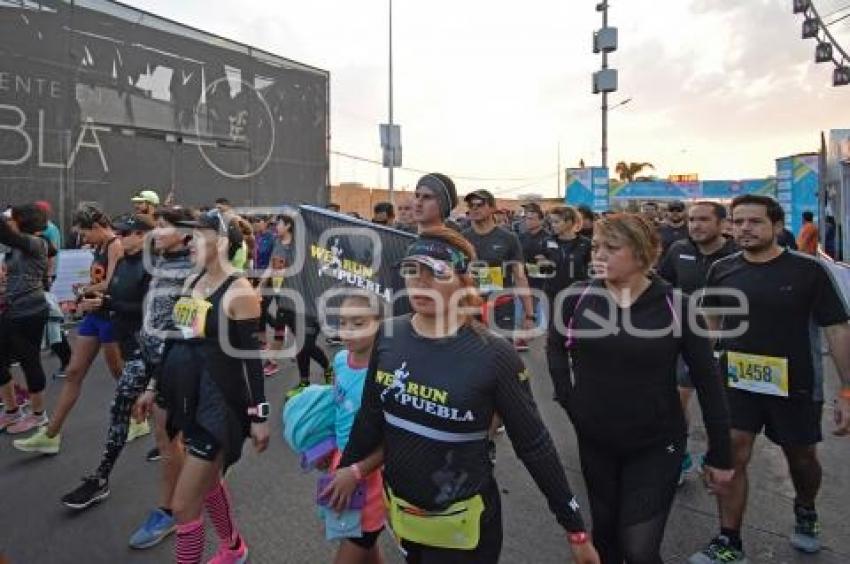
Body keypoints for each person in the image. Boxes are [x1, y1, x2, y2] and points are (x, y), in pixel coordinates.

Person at [338, 227, 600, 564]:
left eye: (435, 272)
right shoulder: (390, 334)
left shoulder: (494, 355)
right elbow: (371, 417)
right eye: (412, 270)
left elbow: (534, 445)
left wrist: (574, 528)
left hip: (465, 531)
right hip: (404, 516)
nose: (420, 282)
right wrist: (347, 469)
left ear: (463, 280)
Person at [549, 213, 733, 564]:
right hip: (596, 441)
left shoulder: (677, 306)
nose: (598, 255)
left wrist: (720, 454)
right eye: (597, 246)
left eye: (612, 248)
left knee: (639, 548)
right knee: (605, 540)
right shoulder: (576, 298)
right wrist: (569, 397)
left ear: (643, 254)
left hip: (656, 443)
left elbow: (709, 383)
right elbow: (555, 346)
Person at [690, 195, 850, 564]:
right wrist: (703, 370)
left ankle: (806, 508)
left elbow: (837, 330)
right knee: (733, 450)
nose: (744, 228)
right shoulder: (723, 270)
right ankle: (729, 541)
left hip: (794, 383)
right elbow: (711, 321)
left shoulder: (809, 271)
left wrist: (846, 389)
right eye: (739, 221)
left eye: (755, 222)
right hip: (736, 380)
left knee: (802, 460)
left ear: (777, 227)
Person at [155, 209, 270, 564]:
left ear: (221, 243)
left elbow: (252, 362)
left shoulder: (240, 292)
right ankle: (234, 547)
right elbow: (177, 337)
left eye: (199, 235)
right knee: (209, 486)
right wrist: (152, 385)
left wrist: (259, 416)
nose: (190, 241)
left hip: (219, 407)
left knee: (183, 506)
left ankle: (231, 548)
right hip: (187, 399)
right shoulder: (193, 282)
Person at [60, 214, 154, 509]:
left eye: (127, 233)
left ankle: (101, 477)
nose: (121, 237)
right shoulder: (124, 262)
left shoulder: (154, 268)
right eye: (120, 232)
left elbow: (149, 309)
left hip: (150, 352)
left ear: (142, 235)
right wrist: (96, 302)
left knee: (120, 407)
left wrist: (109, 304)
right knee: (155, 417)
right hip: (129, 345)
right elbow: (113, 295)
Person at [14, 204, 125, 454]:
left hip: (110, 316)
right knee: (74, 372)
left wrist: (86, 290)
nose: (83, 239)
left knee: (120, 373)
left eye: (85, 234)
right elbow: (99, 280)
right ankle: (51, 434)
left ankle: (139, 416)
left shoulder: (116, 245)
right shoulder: (99, 246)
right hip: (94, 315)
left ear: (96, 227)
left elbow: (113, 283)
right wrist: (84, 289)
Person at [128, 206, 195, 550]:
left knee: (170, 442)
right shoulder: (161, 263)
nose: (156, 231)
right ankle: (187, 498)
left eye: (165, 226)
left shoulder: (194, 271)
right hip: (155, 360)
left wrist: (154, 383)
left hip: (177, 367)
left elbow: (184, 331)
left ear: (186, 234)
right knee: (175, 441)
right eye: (156, 225)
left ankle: (171, 510)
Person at [657, 201, 737, 483]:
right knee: (677, 399)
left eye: (703, 219)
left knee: (726, 407)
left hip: (731, 343)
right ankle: (679, 456)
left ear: (722, 224)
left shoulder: (737, 254)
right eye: (692, 220)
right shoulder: (679, 250)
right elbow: (661, 284)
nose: (695, 225)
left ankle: (721, 455)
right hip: (683, 339)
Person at [317, 290, 387, 564]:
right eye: (343, 322)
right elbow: (337, 411)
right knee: (366, 548)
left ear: (380, 324)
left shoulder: (387, 372)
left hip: (372, 475)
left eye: (359, 324)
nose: (348, 331)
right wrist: (326, 448)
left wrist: (357, 471)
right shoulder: (338, 361)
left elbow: (393, 437)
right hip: (343, 463)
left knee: (359, 541)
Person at [264, 214, 332, 394]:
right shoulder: (277, 244)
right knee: (300, 344)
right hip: (285, 302)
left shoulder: (303, 246)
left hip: (308, 303)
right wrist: (260, 287)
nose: (274, 227)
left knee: (305, 344)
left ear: (288, 226)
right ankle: (304, 382)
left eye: (277, 223)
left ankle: (328, 368)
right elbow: (272, 269)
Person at [462, 189, 535, 350]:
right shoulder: (462, 238)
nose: (474, 208)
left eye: (480, 204)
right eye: (470, 205)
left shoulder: (508, 238)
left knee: (501, 356)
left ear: (492, 208)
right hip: (471, 307)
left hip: (502, 308)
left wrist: (529, 315)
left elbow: (520, 277)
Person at [0, 204, 51, 435]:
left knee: (29, 361)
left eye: (12, 218)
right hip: (11, 309)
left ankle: (39, 415)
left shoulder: (36, 242)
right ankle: (12, 411)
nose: (9, 221)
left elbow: (6, 234)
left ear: (24, 222)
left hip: (30, 311)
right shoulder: (15, 246)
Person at [518, 203, 550, 331]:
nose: (527, 221)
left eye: (531, 218)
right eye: (526, 218)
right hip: (522, 281)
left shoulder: (548, 238)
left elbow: (554, 263)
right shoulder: (521, 237)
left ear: (541, 220)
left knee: (532, 314)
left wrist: (545, 261)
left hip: (540, 283)